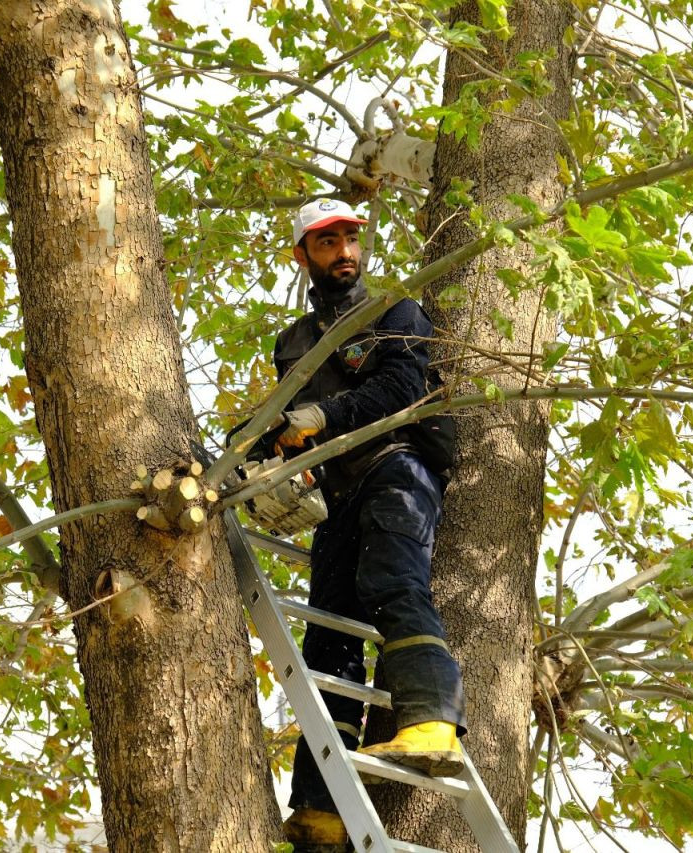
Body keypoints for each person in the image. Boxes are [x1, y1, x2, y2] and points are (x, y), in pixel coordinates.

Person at [271, 198, 467, 852]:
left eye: (351, 239)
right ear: (302, 254)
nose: (344, 253)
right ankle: (322, 807)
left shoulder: (394, 313)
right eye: (327, 243)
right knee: (326, 636)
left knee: (393, 581)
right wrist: (263, 448)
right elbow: (284, 421)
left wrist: (321, 418)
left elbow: (402, 390)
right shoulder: (295, 343)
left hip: (396, 466)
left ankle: (433, 720)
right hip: (339, 491)